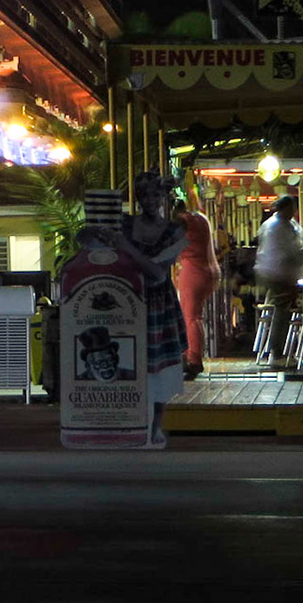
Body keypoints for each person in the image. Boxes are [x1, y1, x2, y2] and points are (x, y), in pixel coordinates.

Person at [111, 171, 187, 449]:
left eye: (156, 195)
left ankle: (155, 424)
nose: (150, 200)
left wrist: (128, 251)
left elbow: (157, 273)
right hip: (127, 296)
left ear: (163, 197)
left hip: (155, 300)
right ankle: (131, 420)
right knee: (128, 360)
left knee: (157, 367)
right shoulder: (126, 225)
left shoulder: (173, 231)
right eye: (145, 195)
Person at [254, 194, 303, 370]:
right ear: (284, 208)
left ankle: (283, 352)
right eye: (291, 208)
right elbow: (285, 253)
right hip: (276, 274)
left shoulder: (287, 224)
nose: (294, 212)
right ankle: (277, 353)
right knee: (282, 310)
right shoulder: (275, 227)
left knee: (284, 310)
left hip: (281, 273)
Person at [172, 199, 221, 379]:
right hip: (209, 270)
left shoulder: (182, 224)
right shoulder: (200, 219)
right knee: (194, 316)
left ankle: (193, 359)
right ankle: (190, 355)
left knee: (190, 317)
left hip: (193, 271)